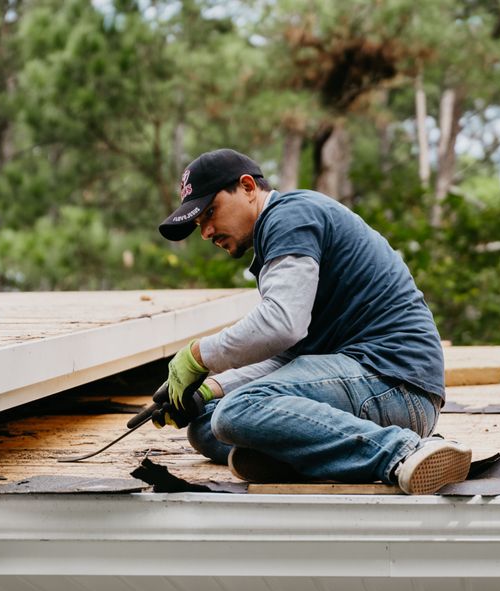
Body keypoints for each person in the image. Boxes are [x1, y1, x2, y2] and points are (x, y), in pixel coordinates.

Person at [152, 148, 471, 494]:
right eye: (200, 224)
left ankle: (405, 451)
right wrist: (209, 389)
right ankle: (301, 457)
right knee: (205, 425)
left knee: (236, 412)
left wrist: (197, 356)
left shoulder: (289, 217)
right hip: (363, 380)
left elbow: (281, 324)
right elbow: (289, 355)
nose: (206, 231)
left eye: (210, 212)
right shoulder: (280, 237)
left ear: (247, 187)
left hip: (394, 383)